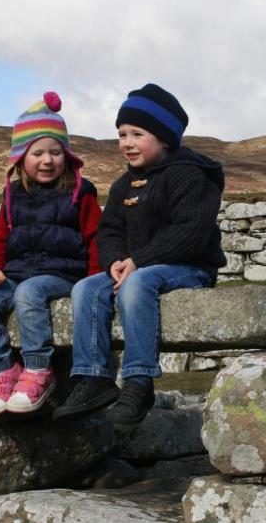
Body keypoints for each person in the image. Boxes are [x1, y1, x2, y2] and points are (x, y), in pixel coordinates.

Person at [53, 83, 226, 426]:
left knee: (138, 283)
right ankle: (93, 377)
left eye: (137, 133)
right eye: (121, 134)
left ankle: (138, 381)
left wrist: (139, 261)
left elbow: (190, 230)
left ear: (164, 138)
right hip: (135, 267)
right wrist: (115, 260)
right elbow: (110, 231)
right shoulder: (123, 185)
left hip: (188, 268)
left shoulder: (190, 176)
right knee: (86, 288)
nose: (126, 143)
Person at [0, 92, 101, 417]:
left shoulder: (79, 192)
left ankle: (40, 369)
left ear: (66, 155)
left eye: (55, 152)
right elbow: (0, 237)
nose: (47, 160)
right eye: (37, 153)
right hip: (16, 274)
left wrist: (95, 279)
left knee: (30, 292)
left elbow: (96, 237)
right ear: (20, 158)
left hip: (62, 275)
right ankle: (4, 369)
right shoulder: (13, 194)